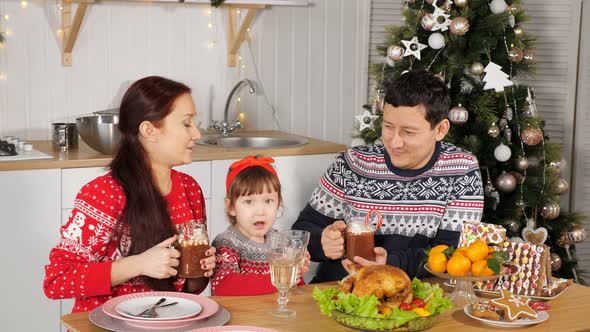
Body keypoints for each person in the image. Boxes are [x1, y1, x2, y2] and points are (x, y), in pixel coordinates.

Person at [43, 76, 216, 312]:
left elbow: (188, 289)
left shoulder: (190, 189)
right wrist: (138, 264)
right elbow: (58, 281)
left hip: (167, 322)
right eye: (186, 123)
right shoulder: (104, 193)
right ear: (149, 131)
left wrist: (201, 269)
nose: (197, 134)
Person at [292, 69, 484, 283]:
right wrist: (322, 243)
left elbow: (452, 253)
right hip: (337, 291)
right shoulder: (352, 163)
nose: (394, 142)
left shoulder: (461, 170)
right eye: (388, 127)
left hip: (410, 297)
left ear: (440, 129)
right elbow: (302, 231)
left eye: (409, 132)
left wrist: (391, 264)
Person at [211, 155, 311, 296]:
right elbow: (224, 285)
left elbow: (293, 290)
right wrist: (281, 279)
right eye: (249, 202)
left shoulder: (281, 241)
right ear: (231, 207)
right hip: (241, 316)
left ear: (279, 203)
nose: (260, 211)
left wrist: (297, 273)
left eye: (268, 201)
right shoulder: (226, 243)